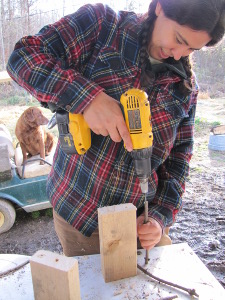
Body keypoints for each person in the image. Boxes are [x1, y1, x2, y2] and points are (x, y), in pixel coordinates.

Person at [7, 0, 225, 256]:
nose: (179, 53)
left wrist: (160, 216)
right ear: (160, 7)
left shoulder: (185, 87)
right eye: (178, 39)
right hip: (78, 212)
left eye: (192, 48)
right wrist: (86, 98)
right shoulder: (102, 27)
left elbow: (180, 160)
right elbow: (23, 58)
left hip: (137, 221)